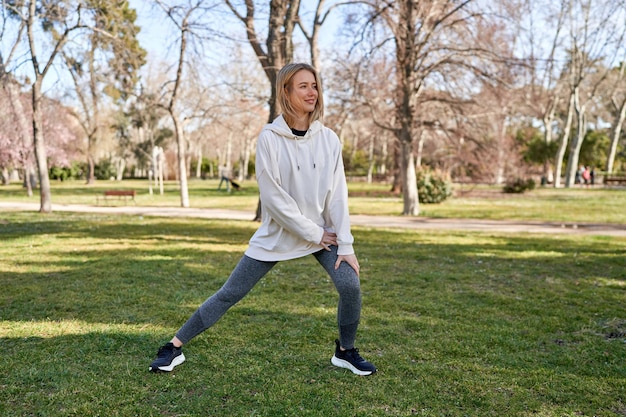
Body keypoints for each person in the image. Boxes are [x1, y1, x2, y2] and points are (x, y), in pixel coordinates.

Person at [148, 63, 377, 376]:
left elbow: (338, 195)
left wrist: (345, 243)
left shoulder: (330, 140)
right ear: (286, 91)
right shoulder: (269, 138)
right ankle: (173, 347)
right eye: (303, 86)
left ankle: (345, 351)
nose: (312, 92)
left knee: (350, 285)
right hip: (280, 234)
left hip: (323, 235)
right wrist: (313, 232)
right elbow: (274, 199)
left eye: (314, 86)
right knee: (231, 292)